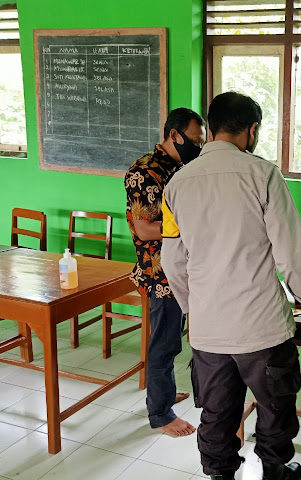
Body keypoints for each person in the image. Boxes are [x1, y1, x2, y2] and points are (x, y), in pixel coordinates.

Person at [161, 92, 301, 480]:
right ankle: (275, 470)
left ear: (210, 128)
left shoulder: (176, 184)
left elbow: (171, 261)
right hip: (262, 326)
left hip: (209, 330)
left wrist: (194, 309)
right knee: (274, 405)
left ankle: (220, 474)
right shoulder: (263, 175)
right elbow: (290, 248)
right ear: (252, 129)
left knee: (217, 411)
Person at [124, 107, 206, 437]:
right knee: (165, 343)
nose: (198, 147)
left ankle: (165, 394)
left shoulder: (178, 168)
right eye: (194, 141)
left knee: (172, 338)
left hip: (181, 269)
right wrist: (192, 227)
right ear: (174, 135)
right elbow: (145, 229)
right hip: (161, 274)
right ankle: (159, 413)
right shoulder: (144, 172)